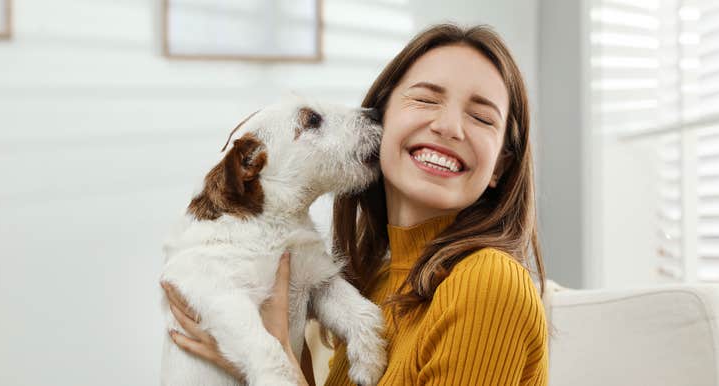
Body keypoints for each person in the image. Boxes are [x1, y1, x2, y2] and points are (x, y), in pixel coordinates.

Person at [162, 23, 549, 386]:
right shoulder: (378, 282)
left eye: (481, 117)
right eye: (426, 99)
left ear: (500, 165)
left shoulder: (488, 283)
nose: (449, 127)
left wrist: (270, 359)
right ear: (382, 118)